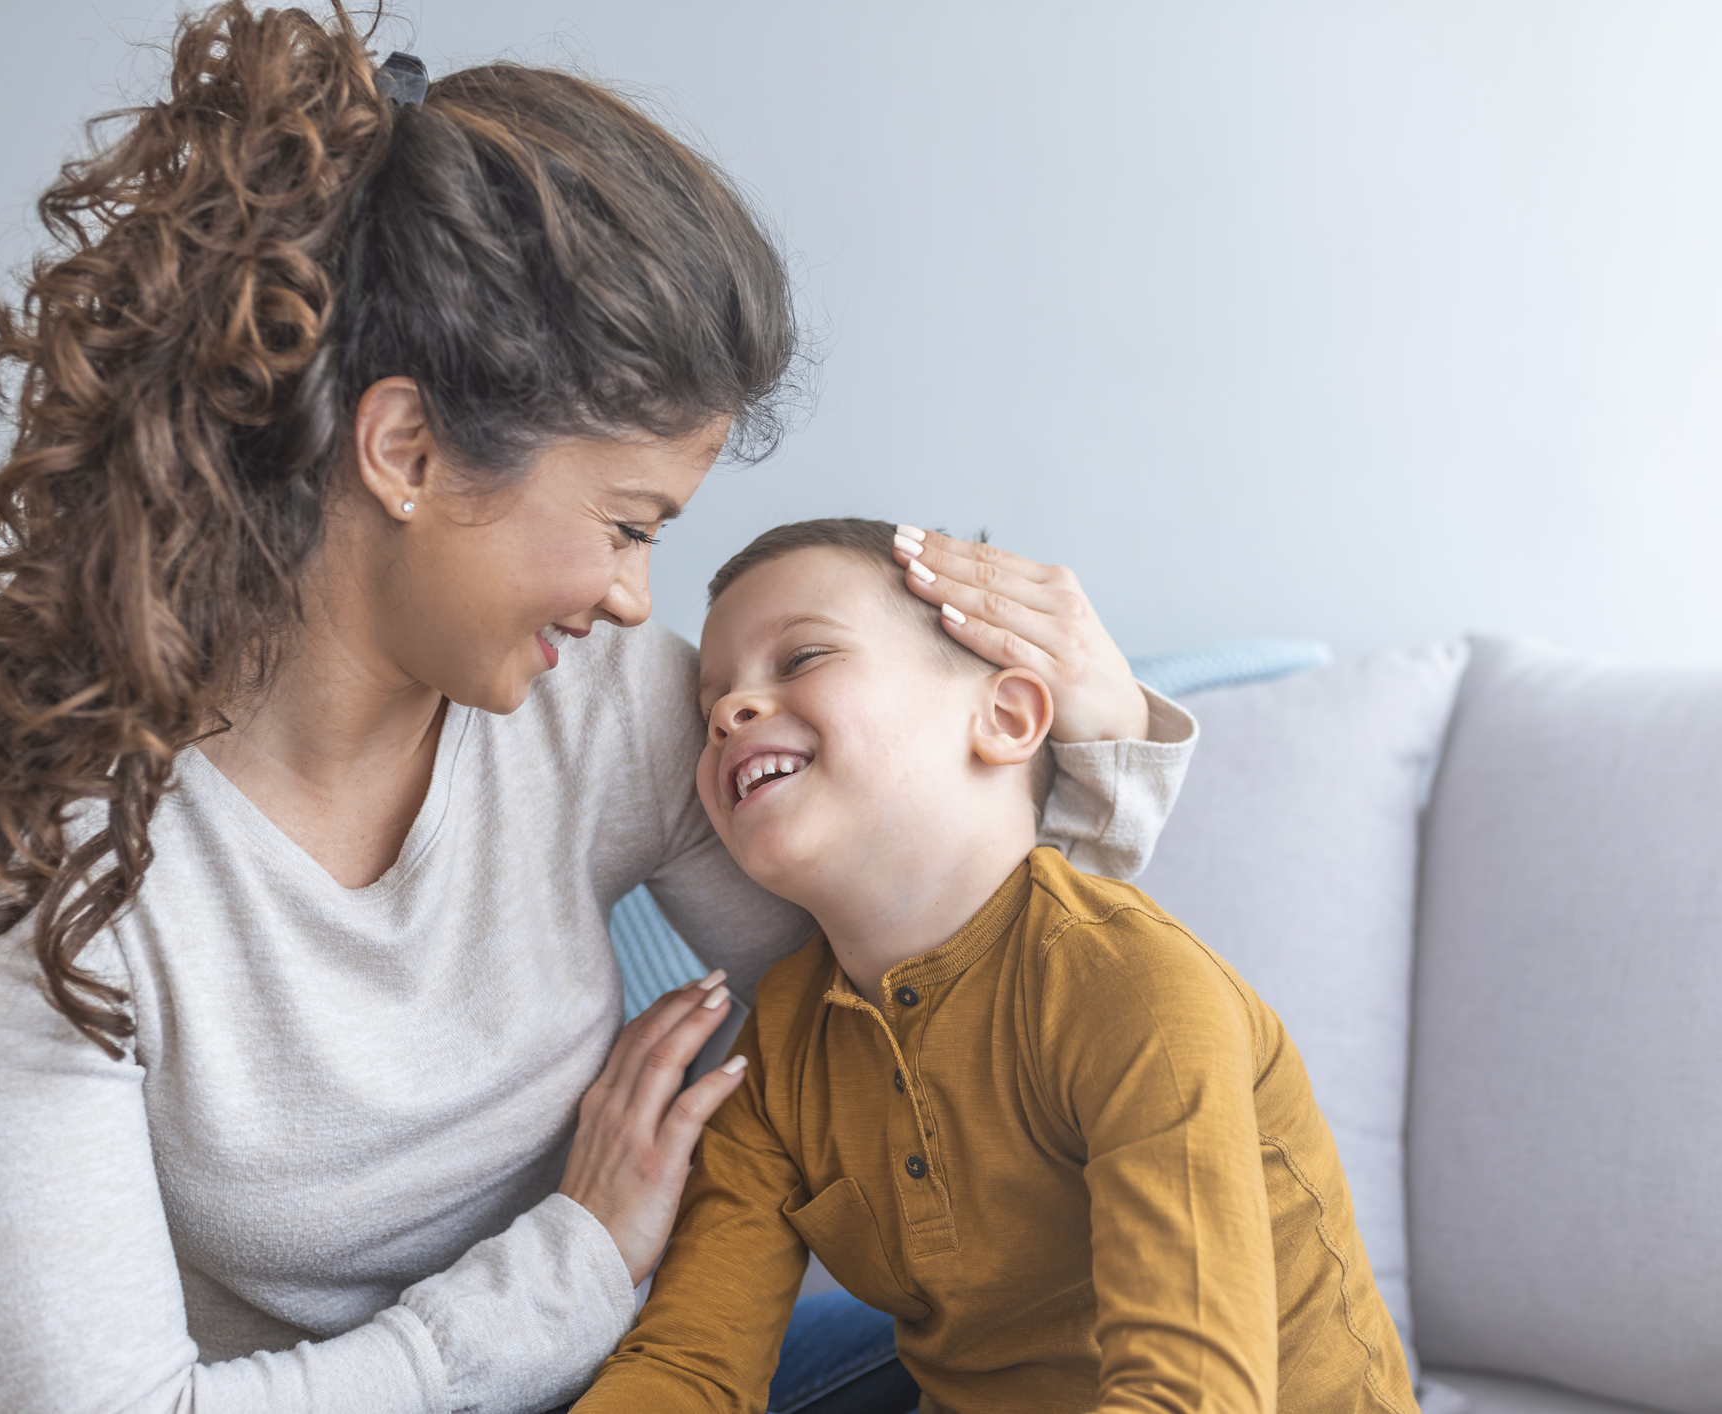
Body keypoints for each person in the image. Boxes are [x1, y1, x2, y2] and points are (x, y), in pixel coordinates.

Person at [0, 8, 1198, 1413]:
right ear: (404, 450)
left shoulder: (598, 708)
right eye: (628, 523)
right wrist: (570, 1263)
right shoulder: (42, 871)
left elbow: (927, 1036)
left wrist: (1097, 765)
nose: (641, 600)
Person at [574, 519, 1418, 1414]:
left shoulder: (1128, 988)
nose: (728, 712)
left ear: (1006, 718)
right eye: (712, 703)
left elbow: (1189, 1395)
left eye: (801, 658)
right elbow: (690, 1369)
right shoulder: (781, 1049)